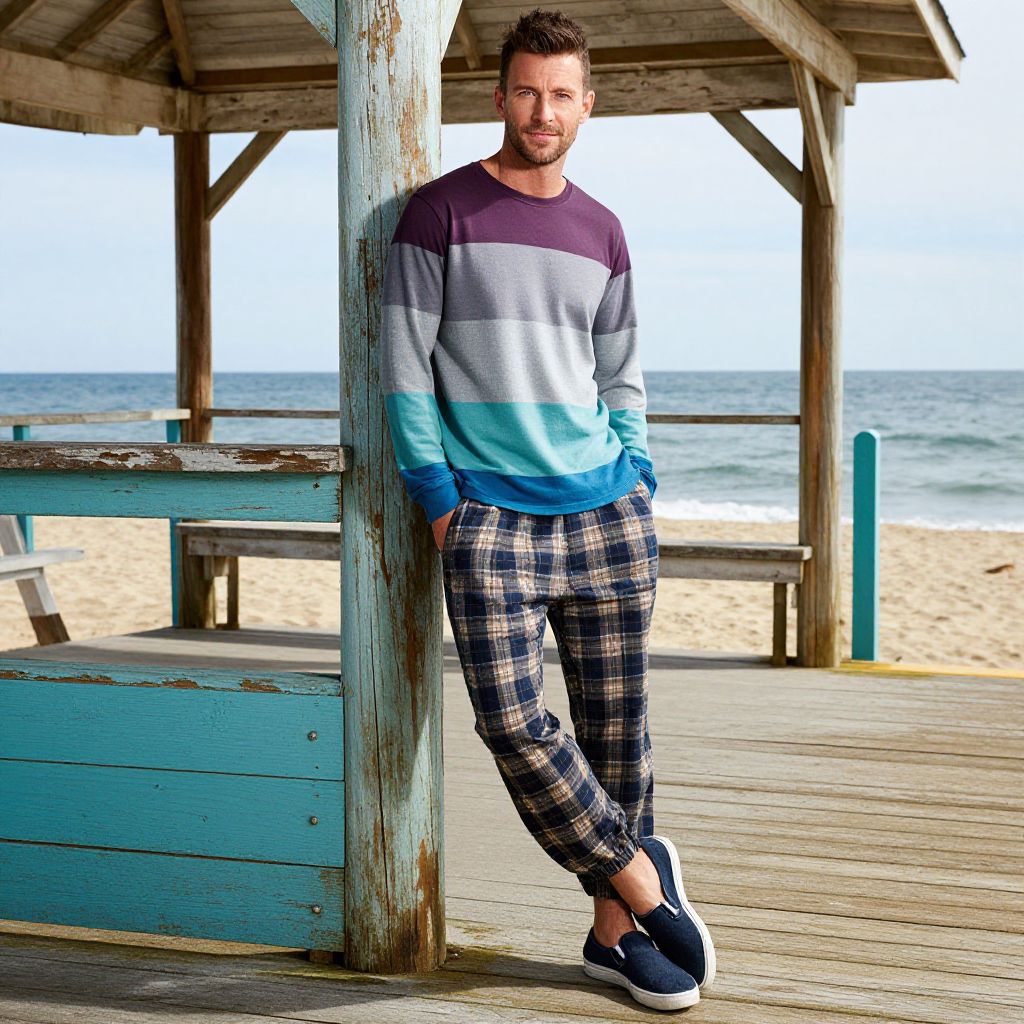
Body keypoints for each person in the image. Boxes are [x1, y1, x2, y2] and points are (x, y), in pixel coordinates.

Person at [380, 8, 715, 1012]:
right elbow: (404, 374)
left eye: (560, 93)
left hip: (606, 511)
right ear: (499, 97)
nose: (542, 109)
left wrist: (638, 472)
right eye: (525, 90)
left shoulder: (602, 228)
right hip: (489, 520)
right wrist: (442, 505)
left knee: (619, 737)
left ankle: (614, 939)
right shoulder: (437, 215)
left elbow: (623, 374)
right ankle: (642, 878)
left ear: (586, 104)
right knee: (515, 725)